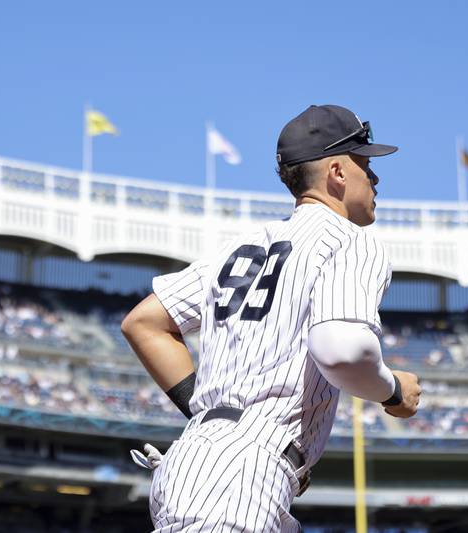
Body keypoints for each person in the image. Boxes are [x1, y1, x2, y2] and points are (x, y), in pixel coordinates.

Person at [121, 105, 422, 532]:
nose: (375, 178)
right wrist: (393, 391)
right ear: (337, 171)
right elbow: (342, 350)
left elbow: (145, 323)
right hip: (239, 476)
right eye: (366, 164)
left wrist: (214, 421)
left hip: (205, 462)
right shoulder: (351, 241)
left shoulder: (242, 245)